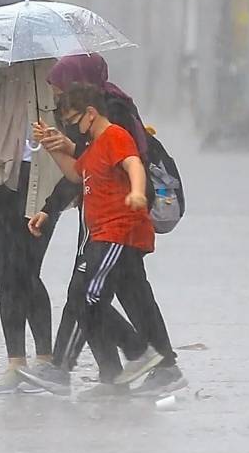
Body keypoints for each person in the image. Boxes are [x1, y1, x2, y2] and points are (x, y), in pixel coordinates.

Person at [19, 54, 185, 397]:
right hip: (104, 216)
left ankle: (85, 366)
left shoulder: (113, 115)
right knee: (130, 294)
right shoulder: (86, 120)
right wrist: (51, 203)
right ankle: (139, 370)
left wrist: (136, 192)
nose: (59, 101)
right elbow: (81, 170)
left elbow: (124, 161)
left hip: (117, 218)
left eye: (62, 92)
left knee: (85, 294)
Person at [0, 60, 64, 394]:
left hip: (41, 179)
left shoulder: (54, 70)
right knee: (4, 273)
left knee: (27, 270)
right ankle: (15, 362)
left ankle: (45, 358)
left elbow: (73, 126)